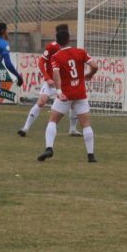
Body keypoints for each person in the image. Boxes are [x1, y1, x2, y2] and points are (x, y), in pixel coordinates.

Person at [37, 29, 99, 163]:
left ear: (57, 43)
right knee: (86, 124)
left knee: (53, 120)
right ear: (69, 39)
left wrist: (59, 91)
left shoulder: (56, 56)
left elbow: (56, 74)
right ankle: (91, 155)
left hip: (66, 95)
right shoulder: (80, 52)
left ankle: (49, 148)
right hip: (80, 94)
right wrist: (89, 74)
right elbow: (94, 65)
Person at [18, 24, 82, 138]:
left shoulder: (70, 49)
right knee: (41, 101)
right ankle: (25, 128)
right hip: (52, 82)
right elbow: (41, 62)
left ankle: (72, 129)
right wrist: (47, 77)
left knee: (74, 103)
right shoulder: (52, 47)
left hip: (65, 83)